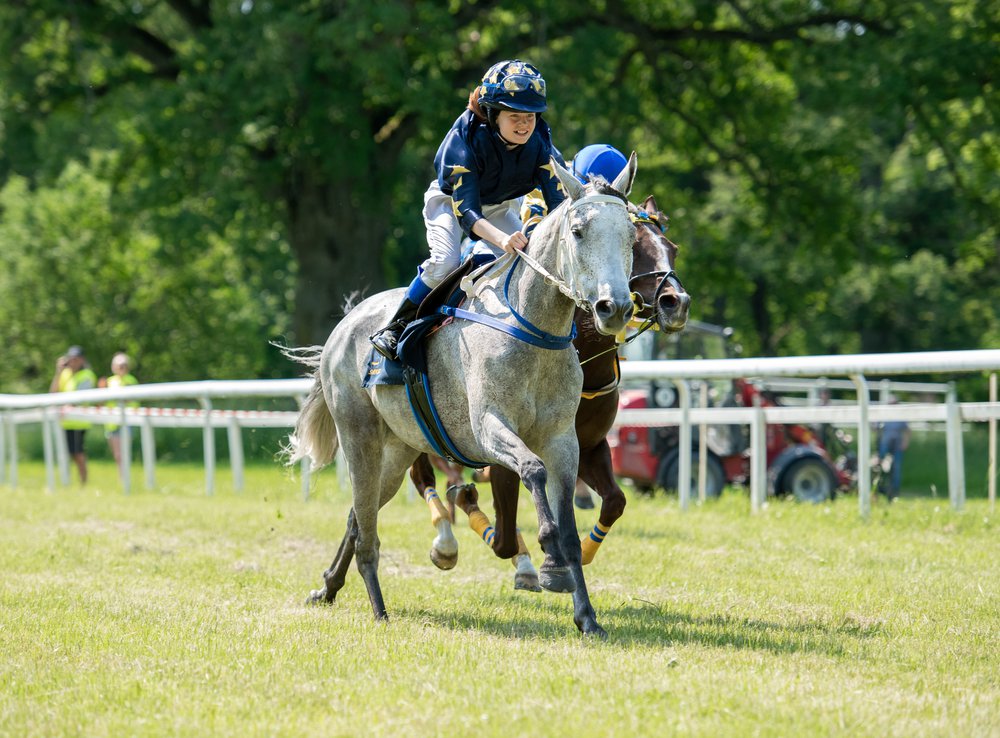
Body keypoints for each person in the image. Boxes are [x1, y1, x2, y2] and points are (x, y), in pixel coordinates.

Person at [370, 59, 566, 361]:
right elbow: (469, 216)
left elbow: (559, 204)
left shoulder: (540, 140)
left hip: (499, 205)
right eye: (515, 116)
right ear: (493, 114)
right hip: (451, 204)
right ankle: (397, 326)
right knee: (445, 261)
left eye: (530, 116)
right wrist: (503, 241)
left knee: (531, 264)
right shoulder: (463, 142)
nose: (525, 125)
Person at [49, 345, 97, 484]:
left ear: (82, 360)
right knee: (67, 454)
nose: (72, 362)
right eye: (70, 359)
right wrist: (58, 372)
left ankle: (83, 483)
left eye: (75, 359)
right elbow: (53, 393)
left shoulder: (87, 375)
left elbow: (80, 398)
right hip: (64, 421)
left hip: (78, 422)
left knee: (77, 453)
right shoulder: (65, 374)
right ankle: (67, 482)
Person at [100, 352, 139, 477]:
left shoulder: (131, 380)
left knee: (124, 454)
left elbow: (130, 399)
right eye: (119, 365)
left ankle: (126, 480)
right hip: (112, 423)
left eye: (124, 365)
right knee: (117, 455)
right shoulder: (110, 381)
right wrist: (101, 390)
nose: (121, 368)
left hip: (127, 421)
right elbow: (102, 402)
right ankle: (122, 480)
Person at [877, 397, 910, 500]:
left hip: (896, 444)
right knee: (880, 466)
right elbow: (877, 429)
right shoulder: (884, 416)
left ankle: (895, 490)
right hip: (885, 445)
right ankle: (880, 486)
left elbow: (907, 430)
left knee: (896, 468)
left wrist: (905, 443)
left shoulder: (900, 417)